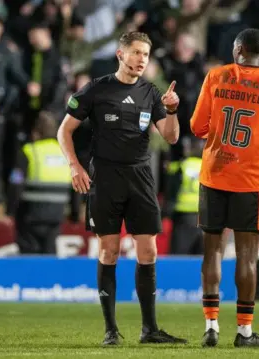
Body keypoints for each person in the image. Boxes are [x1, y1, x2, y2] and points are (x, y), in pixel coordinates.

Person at [57, 31, 187, 346]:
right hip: (105, 178)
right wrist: (75, 166)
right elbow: (65, 131)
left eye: (146, 54)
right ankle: (111, 330)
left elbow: (170, 137)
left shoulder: (152, 93)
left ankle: (150, 329)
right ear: (121, 54)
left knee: (149, 250)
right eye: (137, 52)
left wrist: (172, 111)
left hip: (140, 177)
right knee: (109, 251)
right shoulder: (97, 90)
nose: (142, 59)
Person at [190, 28, 259, 348]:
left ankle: (211, 326)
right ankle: (245, 333)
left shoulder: (216, 76)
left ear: (237, 49)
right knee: (247, 257)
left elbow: (196, 127)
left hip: (214, 175)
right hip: (249, 180)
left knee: (212, 252)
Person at [6, 111, 72, 254]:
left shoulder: (29, 151)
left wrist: (10, 210)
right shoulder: (65, 152)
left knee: (29, 256)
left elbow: (16, 184)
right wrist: (75, 213)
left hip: (30, 215)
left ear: (36, 132)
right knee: (49, 255)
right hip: (56, 215)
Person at [165, 136, 204, 255]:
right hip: (204, 218)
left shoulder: (182, 166)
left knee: (179, 256)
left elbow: (172, 192)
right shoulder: (208, 167)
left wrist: (166, 214)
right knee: (200, 258)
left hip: (184, 217)